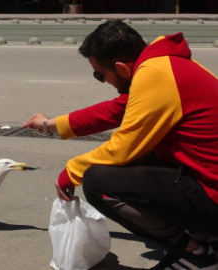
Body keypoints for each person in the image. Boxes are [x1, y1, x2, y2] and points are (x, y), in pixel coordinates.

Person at [23, 20, 218, 270]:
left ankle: (196, 254)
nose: (103, 81)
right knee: (142, 159)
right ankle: (205, 235)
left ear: (121, 68)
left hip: (212, 193)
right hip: (207, 180)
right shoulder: (166, 64)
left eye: (100, 75)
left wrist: (72, 171)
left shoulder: (155, 75)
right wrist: (50, 124)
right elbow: (114, 111)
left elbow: (123, 148)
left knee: (97, 181)